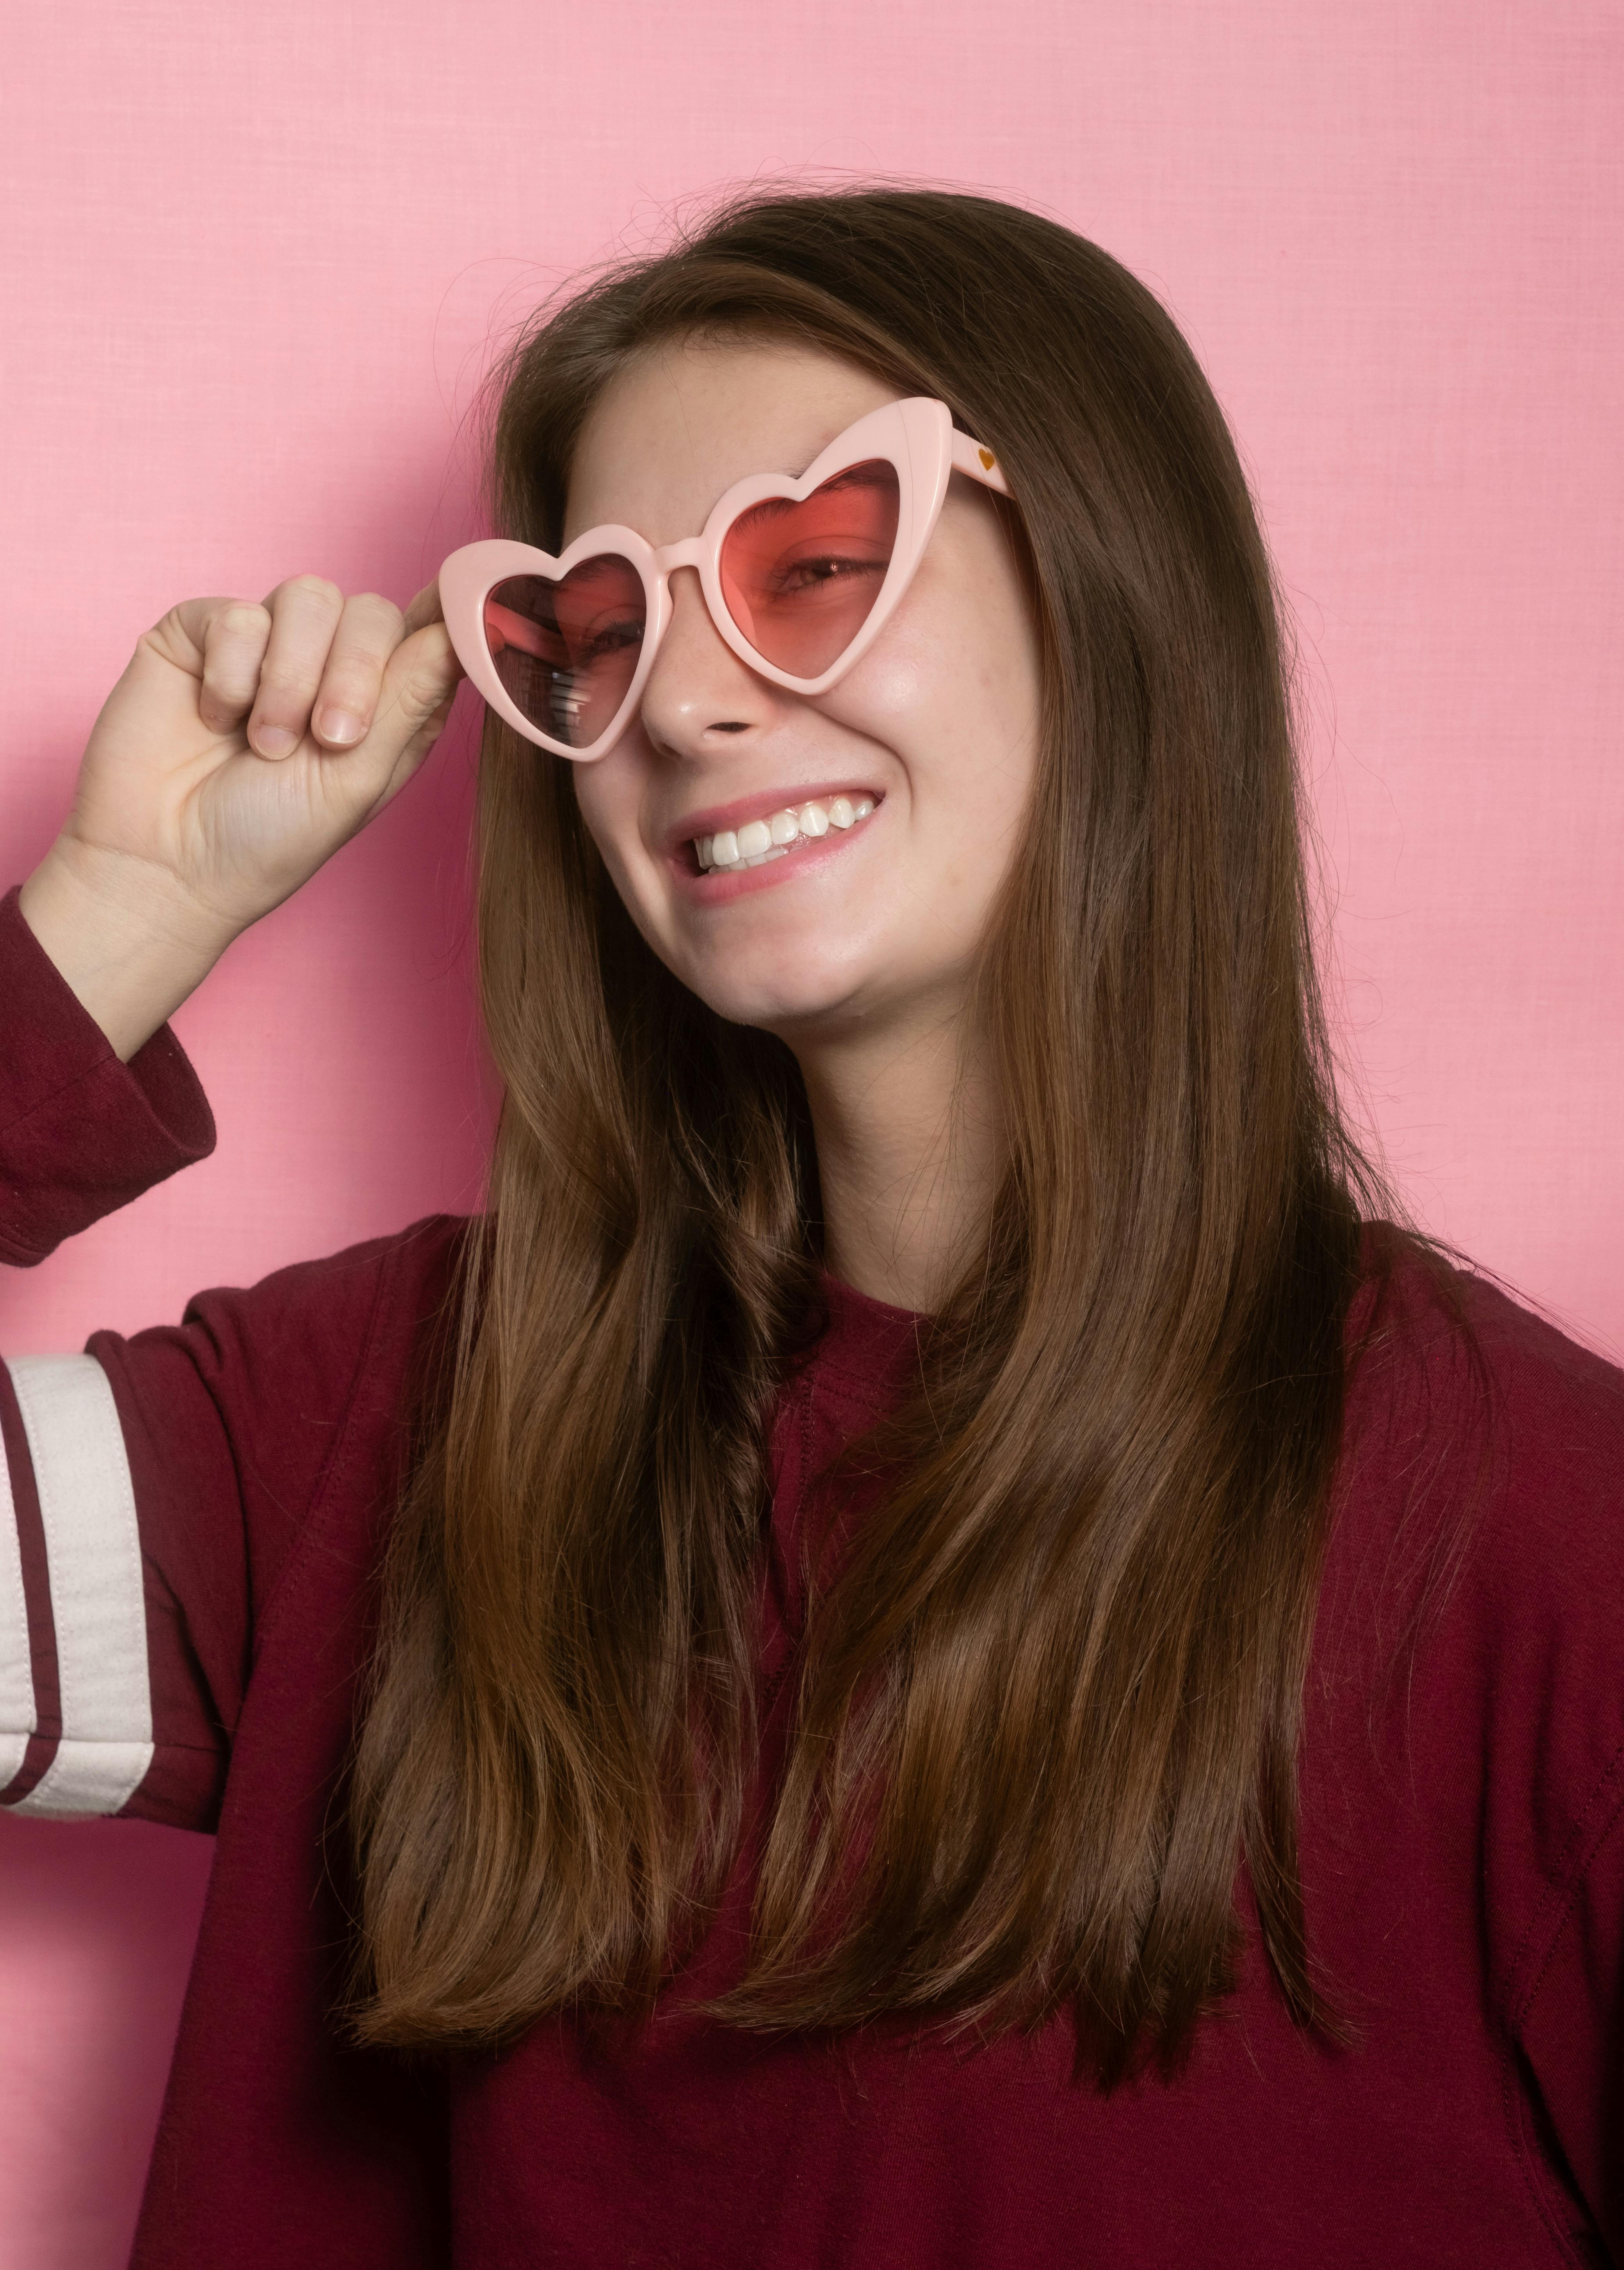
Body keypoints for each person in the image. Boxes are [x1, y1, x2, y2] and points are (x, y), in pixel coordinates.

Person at [1, 187, 1619, 2269]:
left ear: (1107, 586)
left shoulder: (1547, 1559)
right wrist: (106, 932)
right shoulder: (379, 1429)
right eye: (593, 634)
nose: (682, 706)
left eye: (815, 568)